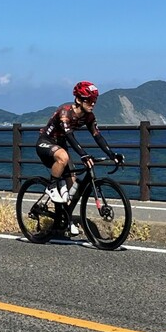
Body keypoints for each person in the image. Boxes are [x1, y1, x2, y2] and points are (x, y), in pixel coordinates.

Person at [36, 81, 122, 234]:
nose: (93, 103)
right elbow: (69, 136)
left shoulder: (88, 117)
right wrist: (83, 154)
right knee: (63, 157)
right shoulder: (65, 112)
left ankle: (63, 219)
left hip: (61, 145)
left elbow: (98, 136)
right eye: (89, 100)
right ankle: (51, 186)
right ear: (78, 100)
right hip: (46, 142)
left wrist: (112, 154)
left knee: (72, 187)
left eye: (95, 100)